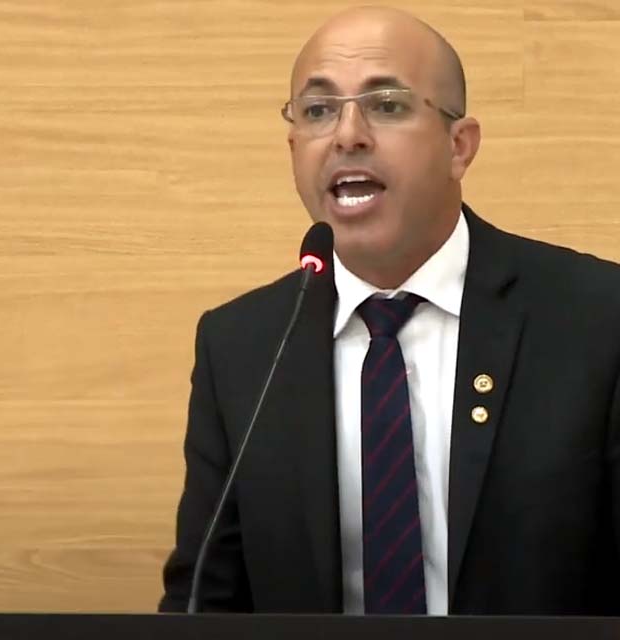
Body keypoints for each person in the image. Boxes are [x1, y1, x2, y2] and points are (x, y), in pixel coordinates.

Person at [159, 6, 620, 615]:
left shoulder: (596, 318)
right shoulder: (242, 348)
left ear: (459, 146)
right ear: (294, 148)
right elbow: (203, 601)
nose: (347, 135)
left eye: (386, 105)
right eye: (318, 111)